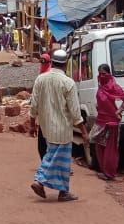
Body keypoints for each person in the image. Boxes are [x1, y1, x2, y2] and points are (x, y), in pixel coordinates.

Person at [28, 50, 83, 202]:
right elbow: (75, 112)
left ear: (52, 62)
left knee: (55, 158)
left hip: (46, 128)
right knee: (59, 161)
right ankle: (40, 181)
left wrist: (32, 125)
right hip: (63, 129)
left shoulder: (41, 79)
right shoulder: (68, 83)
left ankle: (62, 191)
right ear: (65, 64)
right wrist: (84, 132)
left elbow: (33, 106)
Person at [90, 64, 124, 181]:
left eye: (104, 74)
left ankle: (110, 173)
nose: (101, 76)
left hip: (112, 121)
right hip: (101, 120)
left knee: (110, 148)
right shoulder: (101, 86)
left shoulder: (114, 86)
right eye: (100, 74)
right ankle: (104, 170)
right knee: (98, 143)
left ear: (109, 74)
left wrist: (119, 110)